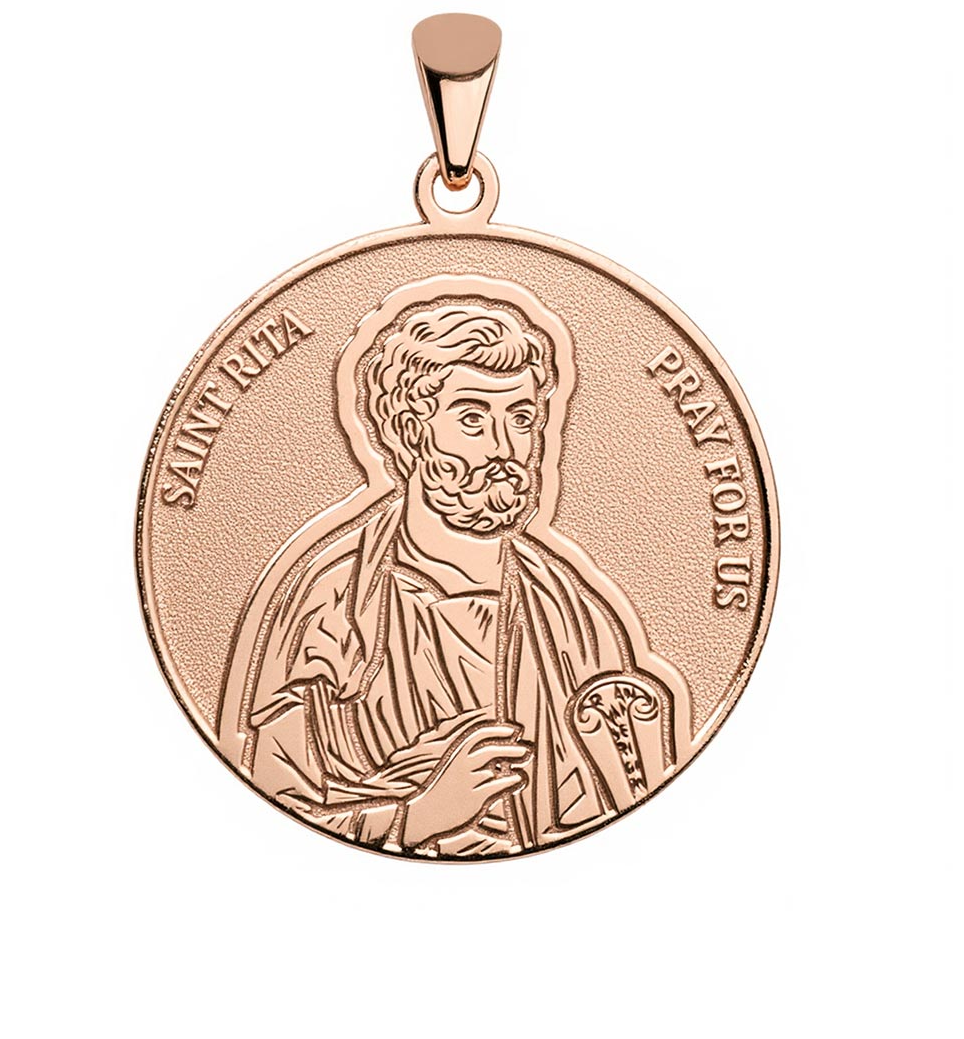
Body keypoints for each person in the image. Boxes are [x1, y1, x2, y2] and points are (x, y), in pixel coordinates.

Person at [222, 296, 689, 856]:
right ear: (409, 432)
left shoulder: (574, 614)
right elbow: (272, 811)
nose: (505, 448)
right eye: (472, 418)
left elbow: (633, 795)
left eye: (521, 419)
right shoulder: (332, 602)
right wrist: (419, 816)